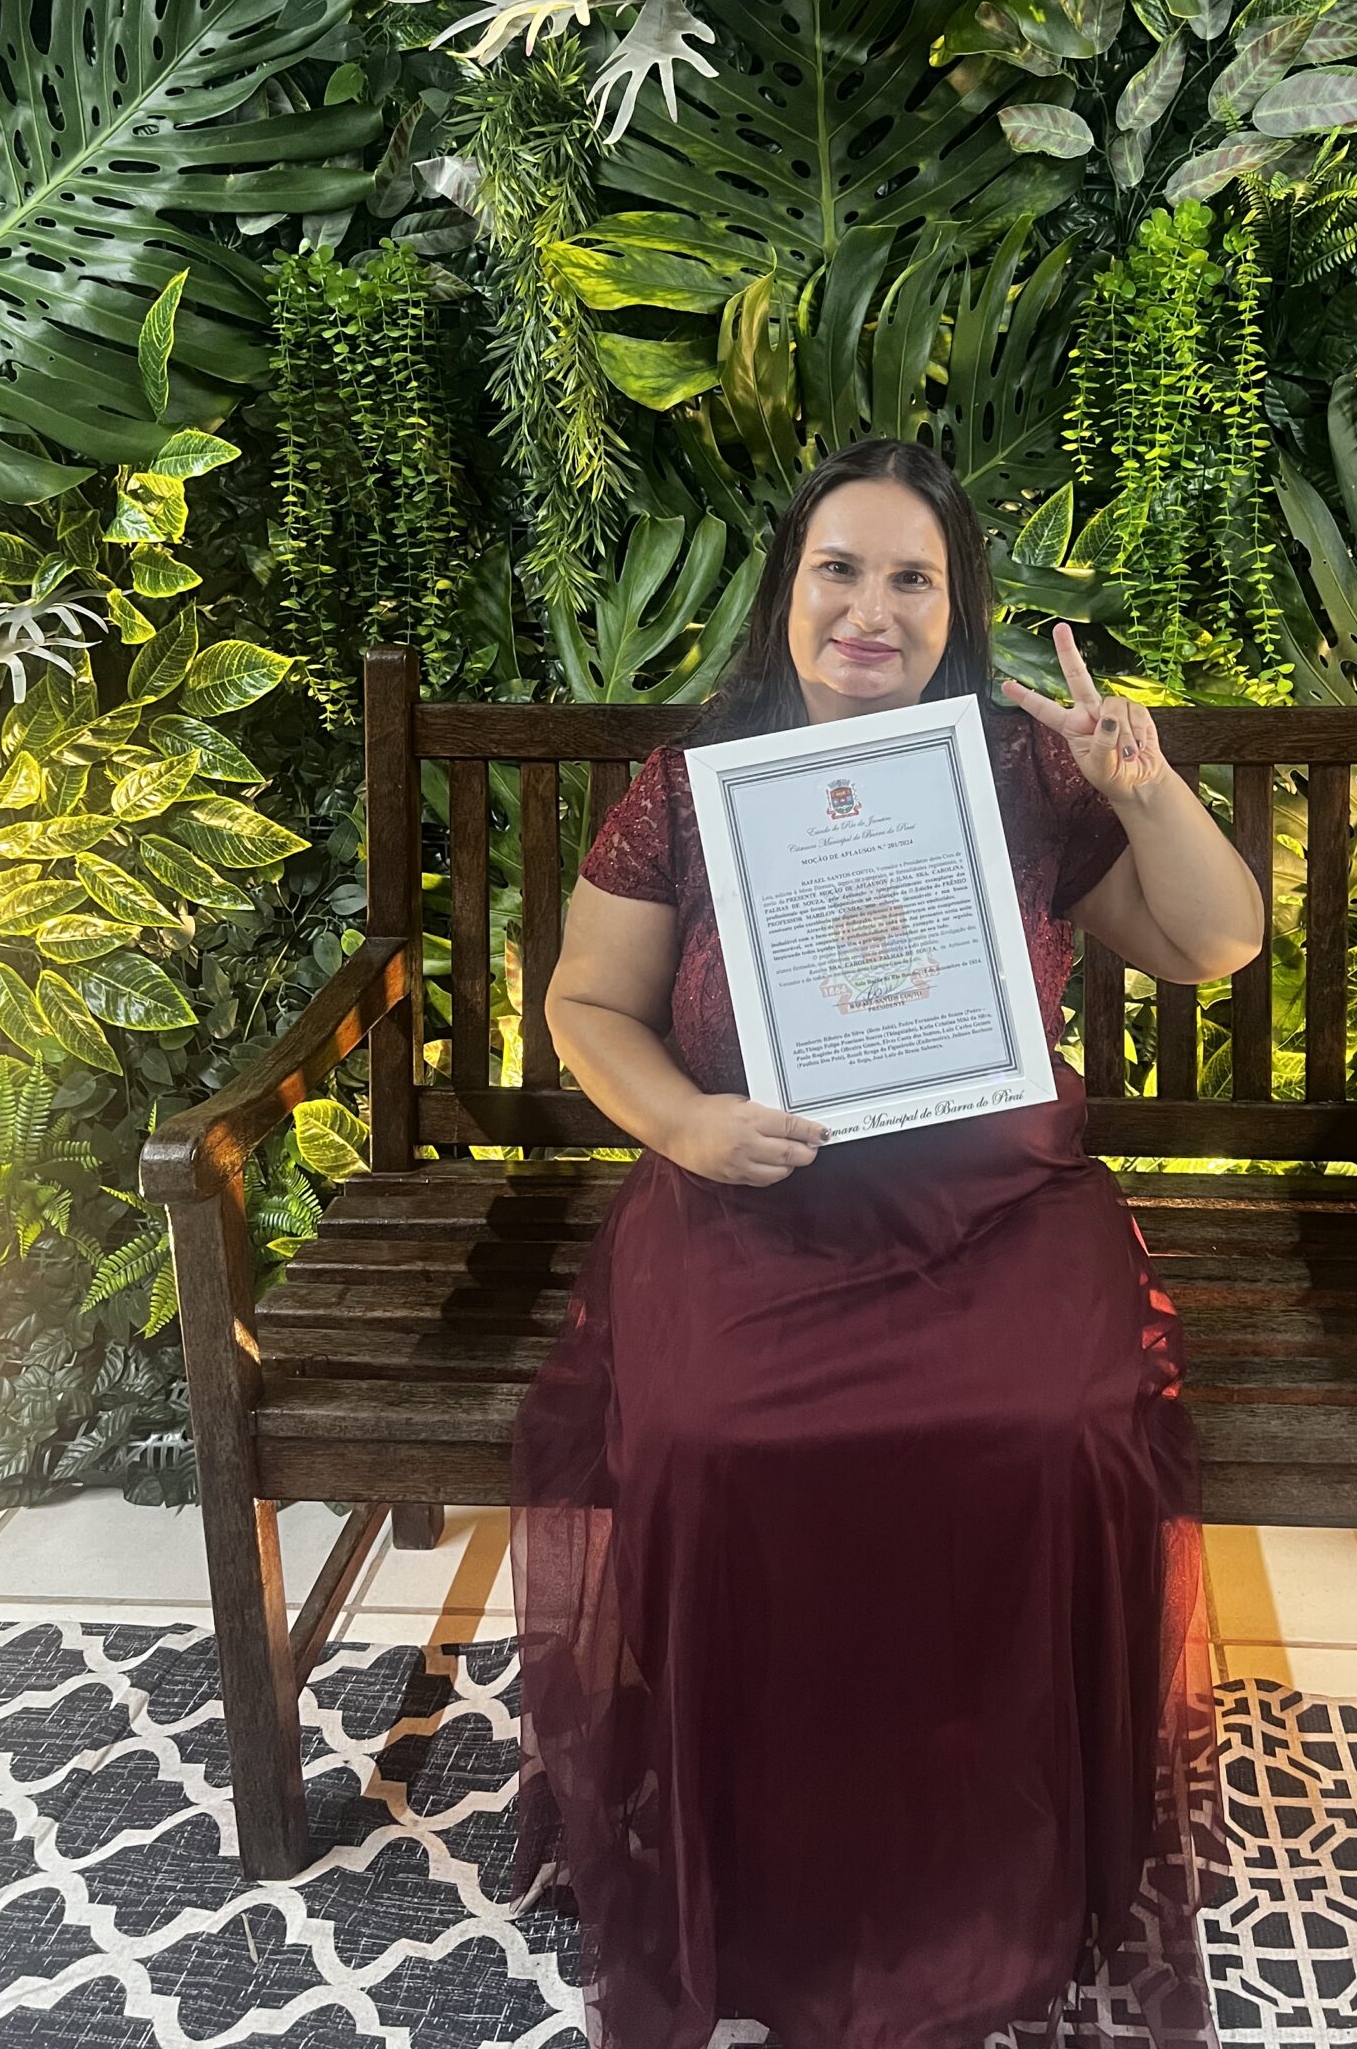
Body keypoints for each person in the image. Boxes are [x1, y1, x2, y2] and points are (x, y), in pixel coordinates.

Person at [509, 435, 1266, 2049]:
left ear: (956, 606)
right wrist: (688, 1127)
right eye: (838, 570)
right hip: (751, 1199)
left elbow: (1210, 942)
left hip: (1000, 1204)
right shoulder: (693, 788)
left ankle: (997, 1860)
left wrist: (1142, 784)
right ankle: (758, 1854)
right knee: (707, 1433)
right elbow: (587, 1005)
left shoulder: (1025, 776)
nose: (872, 608)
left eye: (912, 578)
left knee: (1059, 1424)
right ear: (785, 595)